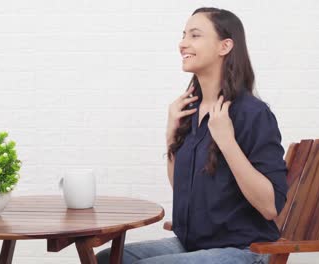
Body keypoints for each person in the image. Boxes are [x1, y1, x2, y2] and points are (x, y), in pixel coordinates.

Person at [96, 7, 288, 264]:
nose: (182, 43)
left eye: (195, 35)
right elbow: (181, 187)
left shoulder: (252, 113)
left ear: (225, 46)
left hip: (245, 249)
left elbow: (269, 206)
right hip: (193, 244)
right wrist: (171, 133)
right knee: (107, 259)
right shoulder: (190, 109)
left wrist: (227, 141)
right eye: (184, 35)